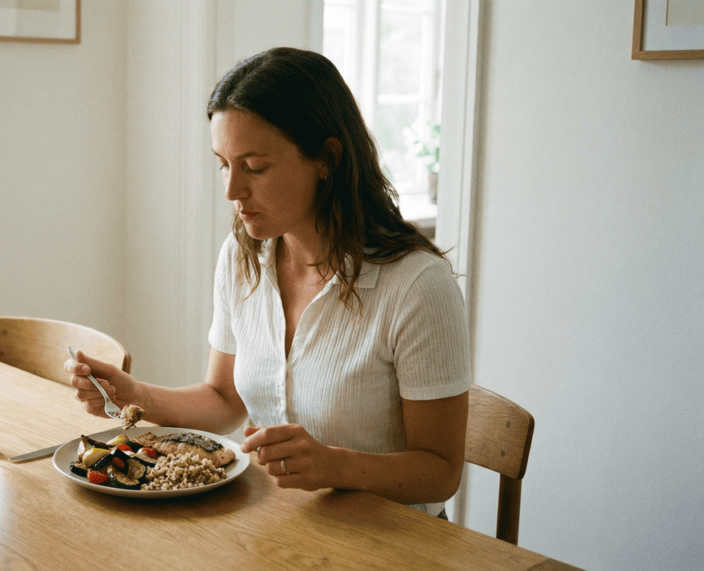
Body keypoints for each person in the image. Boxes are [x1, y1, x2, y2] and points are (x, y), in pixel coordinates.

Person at [65, 47, 471, 518]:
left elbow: (441, 471)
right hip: (278, 530)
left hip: (394, 544)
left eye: (255, 167)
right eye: (223, 163)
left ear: (326, 158)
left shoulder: (418, 287)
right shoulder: (243, 259)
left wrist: (334, 465)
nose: (232, 190)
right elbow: (223, 401)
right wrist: (137, 396)